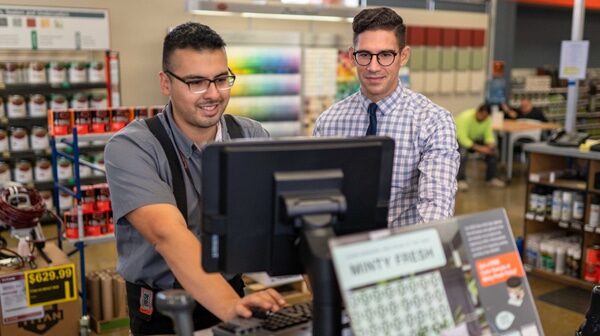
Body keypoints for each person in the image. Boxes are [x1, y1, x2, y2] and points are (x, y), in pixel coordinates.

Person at [104, 22, 285, 335]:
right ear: (165, 82)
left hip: (232, 290)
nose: (213, 94)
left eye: (221, 79)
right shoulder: (131, 148)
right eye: (196, 82)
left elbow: (281, 214)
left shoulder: (251, 137)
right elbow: (167, 234)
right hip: (163, 310)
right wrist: (230, 307)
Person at [313, 7, 459, 227]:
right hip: (341, 251)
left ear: (403, 56)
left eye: (385, 55)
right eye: (364, 55)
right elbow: (317, 197)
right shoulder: (328, 122)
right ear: (353, 56)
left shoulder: (433, 122)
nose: (373, 67)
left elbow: (436, 208)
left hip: (403, 253)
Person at [455, 103, 506, 191]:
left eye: (485, 116)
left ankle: (491, 178)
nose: (483, 118)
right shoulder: (465, 118)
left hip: (474, 139)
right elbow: (463, 139)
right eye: (482, 115)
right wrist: (481, 149)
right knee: (462, 154)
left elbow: (488, 134)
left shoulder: (487, 119)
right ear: (478, 112)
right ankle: (460, 179)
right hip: (459, 141)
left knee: (493, 152)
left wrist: (490, 144)